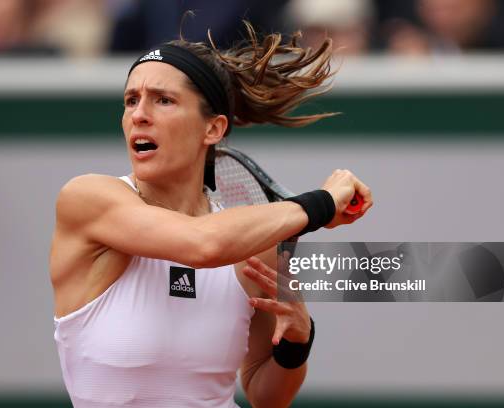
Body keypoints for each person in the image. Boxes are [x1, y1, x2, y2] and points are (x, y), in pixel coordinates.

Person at [50, 22, 373, 408]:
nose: (139, 114)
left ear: (213, 128)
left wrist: (296, 344)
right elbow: (201, 244)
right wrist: (318, 205)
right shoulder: (87, 199)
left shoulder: (254, 245)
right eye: (131, 100)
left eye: (163, 100)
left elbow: (266, 396)